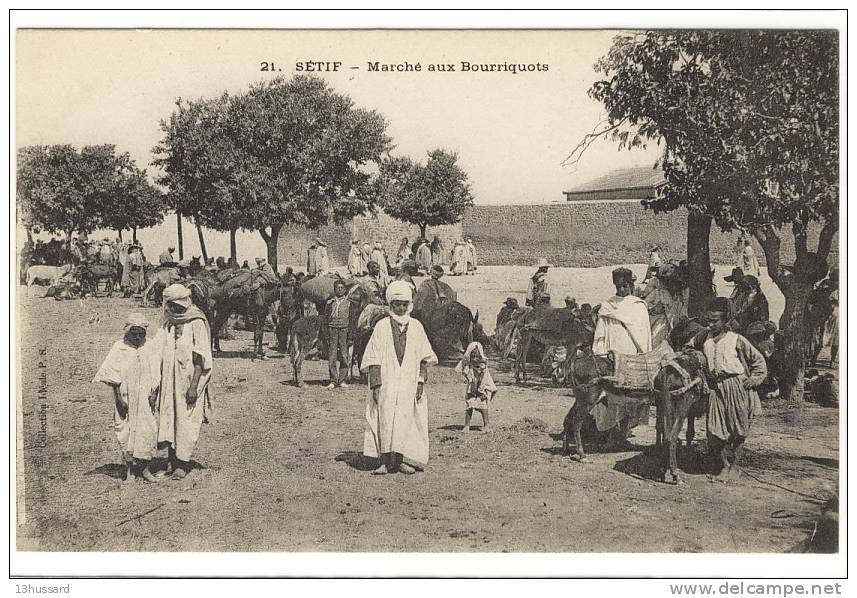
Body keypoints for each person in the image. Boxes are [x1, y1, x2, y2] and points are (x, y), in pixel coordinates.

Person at [361, 280, 438, 475]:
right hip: (387, 382)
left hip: (409, 383)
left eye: (404, 304)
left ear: (409, 305)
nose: (401, 308)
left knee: (406, 418)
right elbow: (374, 356)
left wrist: (420, 382)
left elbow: (423, 358)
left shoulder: (417, 327)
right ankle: (385, 461)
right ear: (391, 305)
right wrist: (376, 384)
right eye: (397, 305)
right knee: (386, 418)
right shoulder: (382, 327)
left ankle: (402, 459)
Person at [691, 297, 767, 483]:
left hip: (736, 387)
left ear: (725, 321)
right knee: (715, 431)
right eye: (708, 320)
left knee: (738, 429)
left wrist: (754, 380)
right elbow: (689, 348)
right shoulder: (704, 337)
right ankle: (724, 466)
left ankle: (735, 467)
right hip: (715, 388)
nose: (710, 324)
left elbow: (758, 361)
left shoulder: (737, 340)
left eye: (715, 320)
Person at [154, 284, 214, 480]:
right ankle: (171, 460)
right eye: (170, 305)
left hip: (188, 380)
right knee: (169, 416)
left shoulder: (195, 322)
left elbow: (200, 356)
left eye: (175, 306)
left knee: (186, 420)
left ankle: (183, 463)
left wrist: (194, 386)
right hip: (169, 379)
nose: (172, 309)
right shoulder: (168, 322)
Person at [93, 312, 161, 483]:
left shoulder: (151, 346)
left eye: (141, 333)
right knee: (126, 431)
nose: (137, 337)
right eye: (134, 333)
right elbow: (113, 375)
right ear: (127, 332)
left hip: (146, 397)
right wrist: (118, 399)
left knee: (147, 430)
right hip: (126, 396)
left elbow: (157, 372)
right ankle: (130, 470)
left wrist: (154, 394)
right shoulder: (119, 347)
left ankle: (145, 468)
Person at [593, 267, 652, 355]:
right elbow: (600, 333)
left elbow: (644, 335)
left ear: (630, 285)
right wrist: (600, 352)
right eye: (618, 286)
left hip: (631, 351)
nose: (621, 289)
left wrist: (644, 354)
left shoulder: (638, 305)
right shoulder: (607, 306)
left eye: (625, 286)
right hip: (611, 350)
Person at [455, 341, 497, 432]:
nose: (475, 359)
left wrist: (480, 391)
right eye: (473, 356)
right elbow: (465, 372)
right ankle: (467, 425)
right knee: (469, 405)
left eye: (477, 357)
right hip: (472, 389)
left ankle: (486, 425)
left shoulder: (483, 367)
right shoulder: (469, 366)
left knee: (483, 406)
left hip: (481, 388)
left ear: (480, 356)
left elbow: (485, 379)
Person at [644, 264, 688, 349]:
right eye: (672, 282)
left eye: (677, 283)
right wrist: (653, 310)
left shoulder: (679, 298)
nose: (675, 286)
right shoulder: (658, 293)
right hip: (657, 328)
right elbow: (643, 306)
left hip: (672, 330)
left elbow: (682, 314)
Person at [325, 280, 352, 390]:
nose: (339, 290)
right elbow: (326, 317)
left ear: (345, 290)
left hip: (344, 329)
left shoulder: (349, 303)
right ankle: (333, 380)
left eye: (341, 288)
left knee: (344, 355)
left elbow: (352, 320)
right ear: (334, 290)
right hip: (332, 329)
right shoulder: (330, 302)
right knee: (332, 355)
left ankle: (342, 380)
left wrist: (351, 335)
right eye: (337, 288)